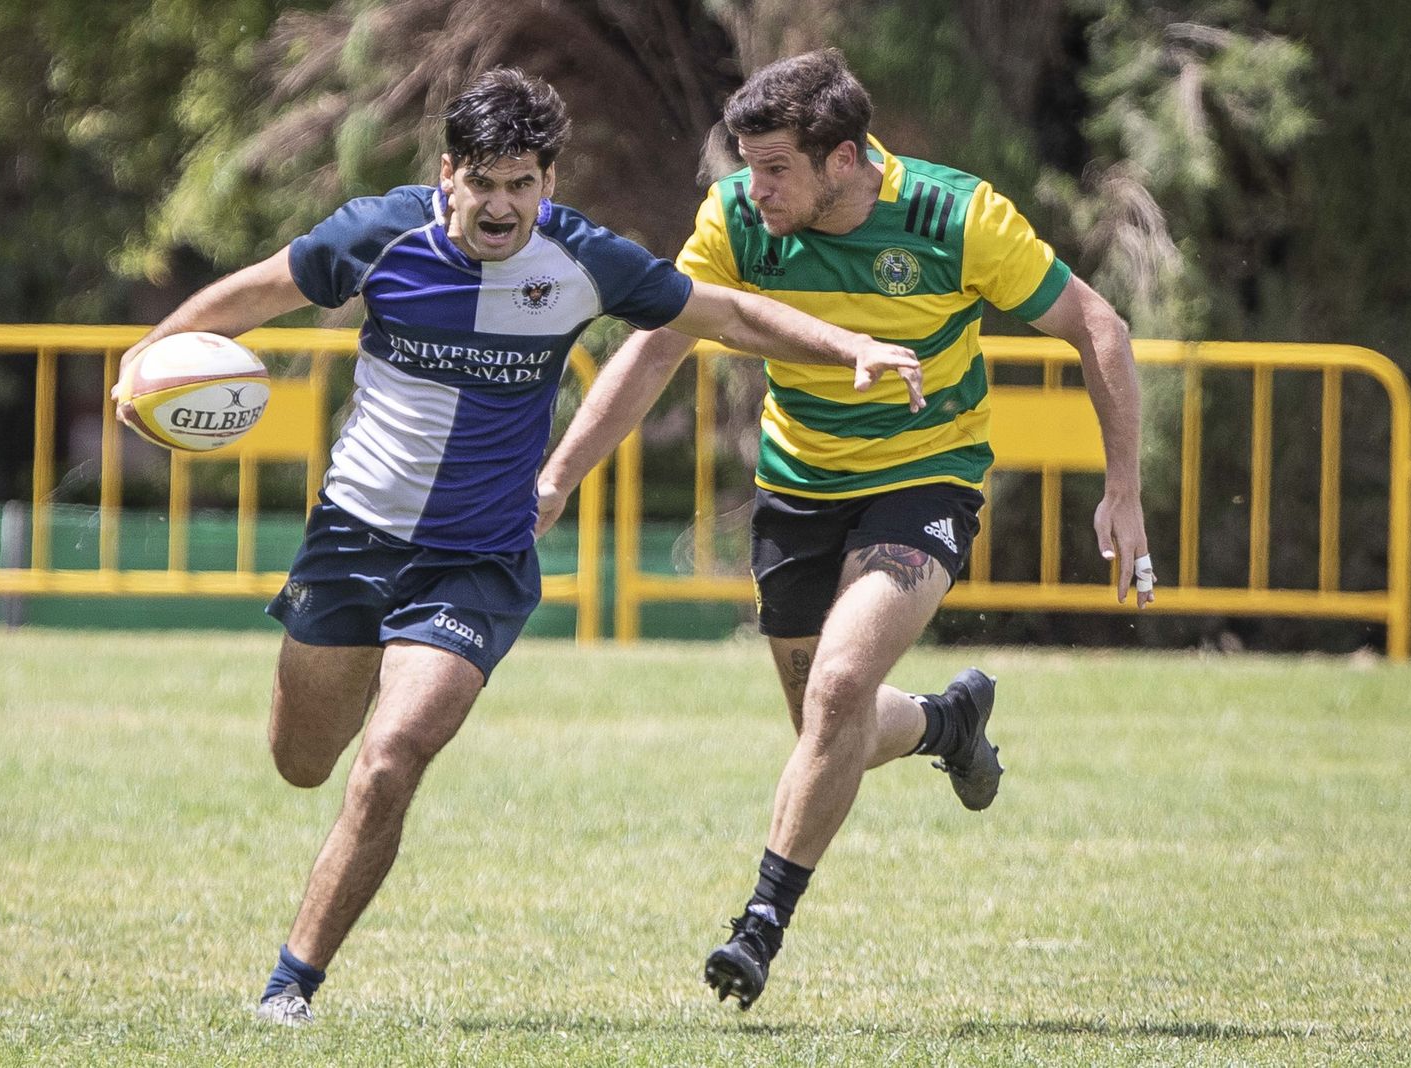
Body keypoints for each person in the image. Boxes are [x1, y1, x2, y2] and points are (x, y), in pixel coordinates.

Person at [113, 67, 925, 1026]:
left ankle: (291, 983)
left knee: (390, 758)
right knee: (303, 761)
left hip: (479, 559)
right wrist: (145, 363)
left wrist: (848, 347)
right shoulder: (378, 235)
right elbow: (245, 300)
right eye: (484, 183)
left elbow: (728, 314)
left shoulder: (581, 261)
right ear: (448, 172)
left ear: (548, 183)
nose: (502, 207)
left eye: (524, 185)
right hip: (353, 542)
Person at [534, 48, 1155, 1010]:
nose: (753, 187)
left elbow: (1098, 326)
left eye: (775, 166)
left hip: (925, 477)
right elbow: (658, 348)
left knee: (837, 689)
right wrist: (559, 477)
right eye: (747, 164)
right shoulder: (739, 218)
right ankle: (948, 721)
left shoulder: (958, 217)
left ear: (845, 157)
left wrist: (1124, 487)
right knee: (829, 731)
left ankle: (758, 928)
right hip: (799, 486)